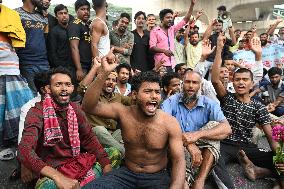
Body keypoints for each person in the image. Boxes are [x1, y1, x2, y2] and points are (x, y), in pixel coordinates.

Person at [82, 54, 186, 188]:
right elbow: (88, 106)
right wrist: (104, 73)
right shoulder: (123, 112)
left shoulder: (170, 122)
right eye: (148, 91)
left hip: (156, 177)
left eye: (157, 92)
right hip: (127, 174)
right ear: (135, 95)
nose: (154, 96)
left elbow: (178, 159)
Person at [17, 67, 115, 189]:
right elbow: (24, 149)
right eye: (58, 85)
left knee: (113, 154)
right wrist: (58, 177)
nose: (64, 89)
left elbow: (89, 138)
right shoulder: (36, 112)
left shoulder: (75, 108)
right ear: (48, 89)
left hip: (75, 162)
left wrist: (106, 165)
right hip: (52, 169)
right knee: (46, 186)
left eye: (68, 84)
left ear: (72, 88)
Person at [211, 34, 282, 189]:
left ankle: (262, 172)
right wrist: (219, 50)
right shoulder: (227, 98)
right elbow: (215, 80)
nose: (241, 82)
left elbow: (270, 136)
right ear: (233, 82)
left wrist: (279, 158)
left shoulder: (258, 106)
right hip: (225, 144)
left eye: (245, 80)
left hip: (247, 146)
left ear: (252, 84)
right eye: (237, 79)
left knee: (279, 160)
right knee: (213, 160)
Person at [161, 71, 231, 189]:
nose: (191, 86)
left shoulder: (209, 103)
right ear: (182, 84)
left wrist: (197, 135)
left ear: (201, 86)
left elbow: (227, 128)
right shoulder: (170, 101)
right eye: (187, 82)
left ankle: (200, 180)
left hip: (201, 143)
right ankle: (185, 180)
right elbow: (163, 127)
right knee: (175, 145)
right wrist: (189, 144)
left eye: (195, 82)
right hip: (176, 144)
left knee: (215, 125)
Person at [0, 1, 34, 151]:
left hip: (11, 68)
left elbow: (18, 44)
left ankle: (13, 143)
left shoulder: (11, 15)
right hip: (9, 69)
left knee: (16, 109)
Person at [150, 0, 197, 71]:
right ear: (161, 19)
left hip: (172, 65)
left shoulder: (172, 29)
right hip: (161, 65)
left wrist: (192, 5)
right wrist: (164, 51)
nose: (170, 19)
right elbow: (152, 47)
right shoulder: (155, 31)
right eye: (168, 17)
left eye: (171, 18)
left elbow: (186, 19)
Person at [15, 0, 50, 95]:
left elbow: (45, 38)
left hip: (43, 62)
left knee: (48, 94)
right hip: (25, 62)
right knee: (31, 95)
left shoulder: (43, 16)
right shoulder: (15, 14)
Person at [68, 0, 91, 82]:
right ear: (76, 11)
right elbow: (74, 47)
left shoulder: (87, 25)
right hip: (79, 67)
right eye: (83, 9)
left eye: (88, 9)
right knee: (78, 93)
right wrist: (79, 69)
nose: (86, 12)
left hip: (88, 65)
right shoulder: (75, 25)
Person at [48, 4, 72, 69]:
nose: (64, 15)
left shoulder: (73, 29)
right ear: (56, 16)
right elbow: (52, 52)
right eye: (60, 13)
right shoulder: (54, 31)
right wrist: (59, 67)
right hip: (61, 66)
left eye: (65, 13)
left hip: (73, 66)